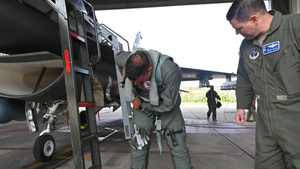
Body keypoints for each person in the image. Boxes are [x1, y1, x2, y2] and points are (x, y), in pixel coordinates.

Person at [226, 0, 300, 168]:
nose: (237, 33)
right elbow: (244, 75)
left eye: (239, 28)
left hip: (295, 117)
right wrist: (241, 106)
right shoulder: (247, 46)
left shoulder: (294, 28)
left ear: (254, 19)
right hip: (266, 121)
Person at [123, 48, 193, 169]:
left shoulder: (169, 70)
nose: (135, 84)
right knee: (139, 148)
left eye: (140, 81)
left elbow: (168, 105)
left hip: (168, 109)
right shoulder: (126, 61)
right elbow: (117, 57)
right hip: (143, 106)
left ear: (150, 70)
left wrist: (141, 105)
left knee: (178, 148)